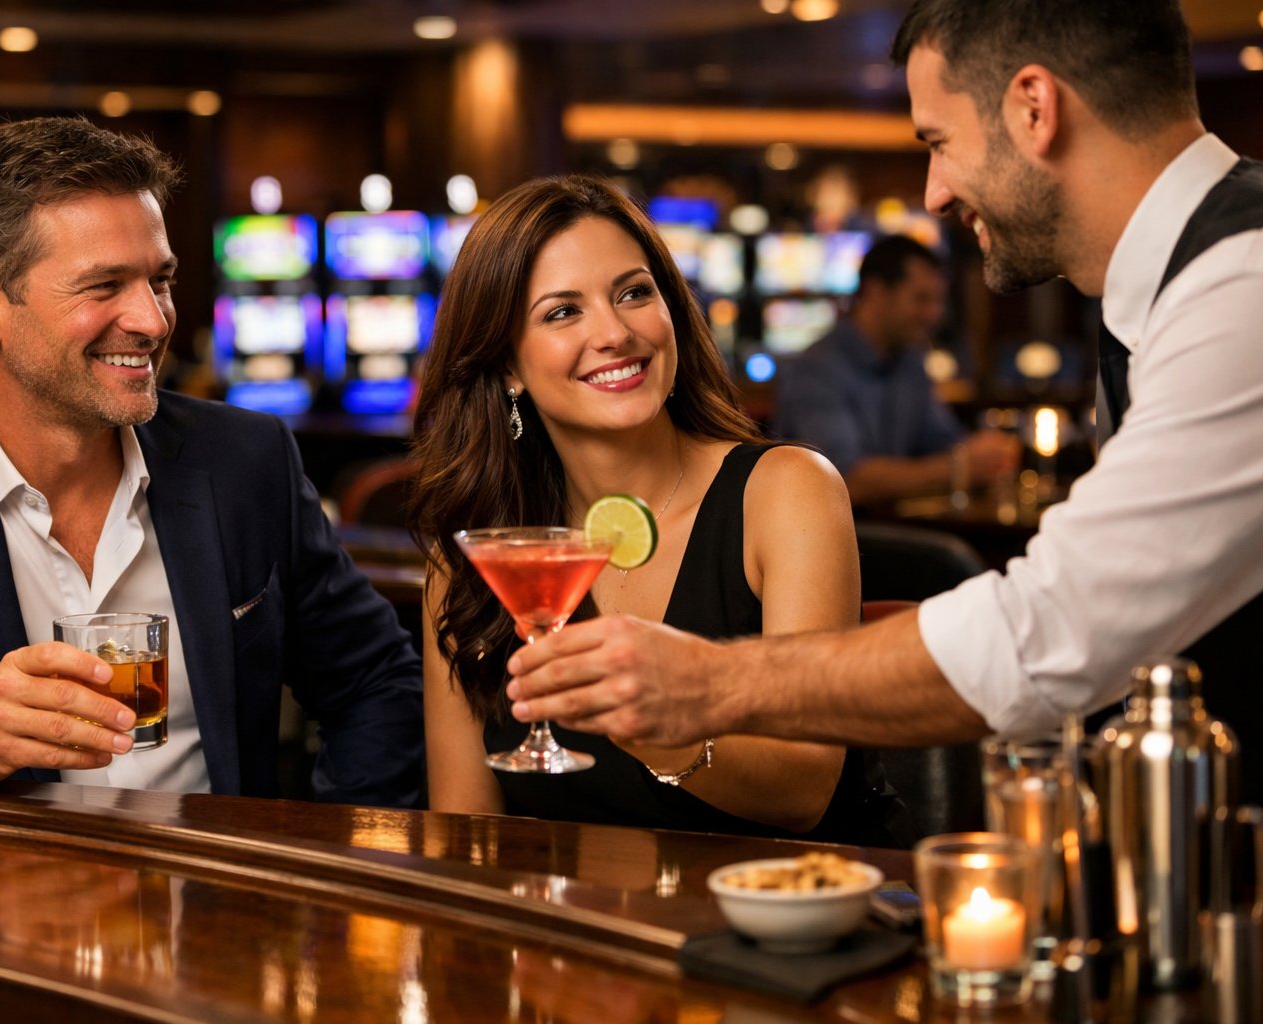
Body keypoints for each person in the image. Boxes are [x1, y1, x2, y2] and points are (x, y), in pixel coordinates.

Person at [502, 0, 1263, 805]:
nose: (933, 193)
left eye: (937, 141)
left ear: (1035, 108)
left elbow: (1054, 634)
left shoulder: (1240, 287)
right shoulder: (1185, 283)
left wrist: (706, 683)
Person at [0, 117, 424, 806]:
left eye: (161, 280)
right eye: (104, 286)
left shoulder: (244, 459)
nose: (152, 320)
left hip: (217, 902)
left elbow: (376, 683)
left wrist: (332, 863)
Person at [410, 174, 911, 845]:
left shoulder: (787, 491)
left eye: (634, 293)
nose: (615, 332)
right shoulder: (473, 560)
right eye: (563, 312)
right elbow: (466, 836)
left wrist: (640, 715)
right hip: (582, 934)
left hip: (797, 925)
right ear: (508, 367)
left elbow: (804, 788)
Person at [773, 234, 1019, 506]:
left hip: (891, 528)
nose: (934, 314)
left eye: (938, 301)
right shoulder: (817, 369)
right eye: (922, 299)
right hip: (830, 538)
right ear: (876, 292)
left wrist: (984, 453)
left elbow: (944, 442)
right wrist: (959, 468)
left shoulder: (910, 361)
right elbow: (843, 480)